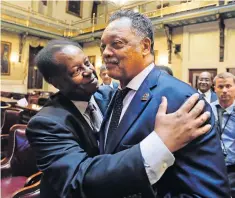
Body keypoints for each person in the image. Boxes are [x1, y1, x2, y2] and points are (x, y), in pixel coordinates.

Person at [26, 39, 211, 198]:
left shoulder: (108, 96)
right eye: (76, 71)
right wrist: (161, 143)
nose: (89, 71)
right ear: (56, 83)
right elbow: (77, 180)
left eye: (87, 63)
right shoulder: (45, 124)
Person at [100, 10, 230, 198]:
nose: (105, 53)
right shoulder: (119, 93)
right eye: (103, 46)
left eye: (116, 44)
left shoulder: (180, 99)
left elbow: (209, 193)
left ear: (145, 46)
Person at [211, 72, 235, 197]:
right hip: (213, 167)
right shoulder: (207, 110)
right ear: (214, 89)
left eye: (228, 86)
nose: (224, 90)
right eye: (220, 87)